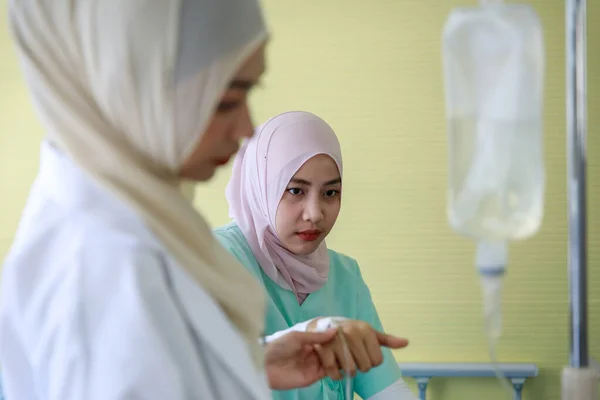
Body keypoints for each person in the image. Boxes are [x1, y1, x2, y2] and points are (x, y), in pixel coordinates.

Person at [0, 1, 410, 399]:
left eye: (331, 191)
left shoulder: (143, 235)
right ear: (138, 92)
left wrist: (254, 362)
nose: (247, 128)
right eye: (228, 100)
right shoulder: (104, 271)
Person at [214, 111, 419, 400]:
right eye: (296, 190)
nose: (315, 214)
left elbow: (387, 390)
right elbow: (195, 369)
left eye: (331, 193)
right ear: (261, 187)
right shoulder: (217, 258)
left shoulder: (345, 276)